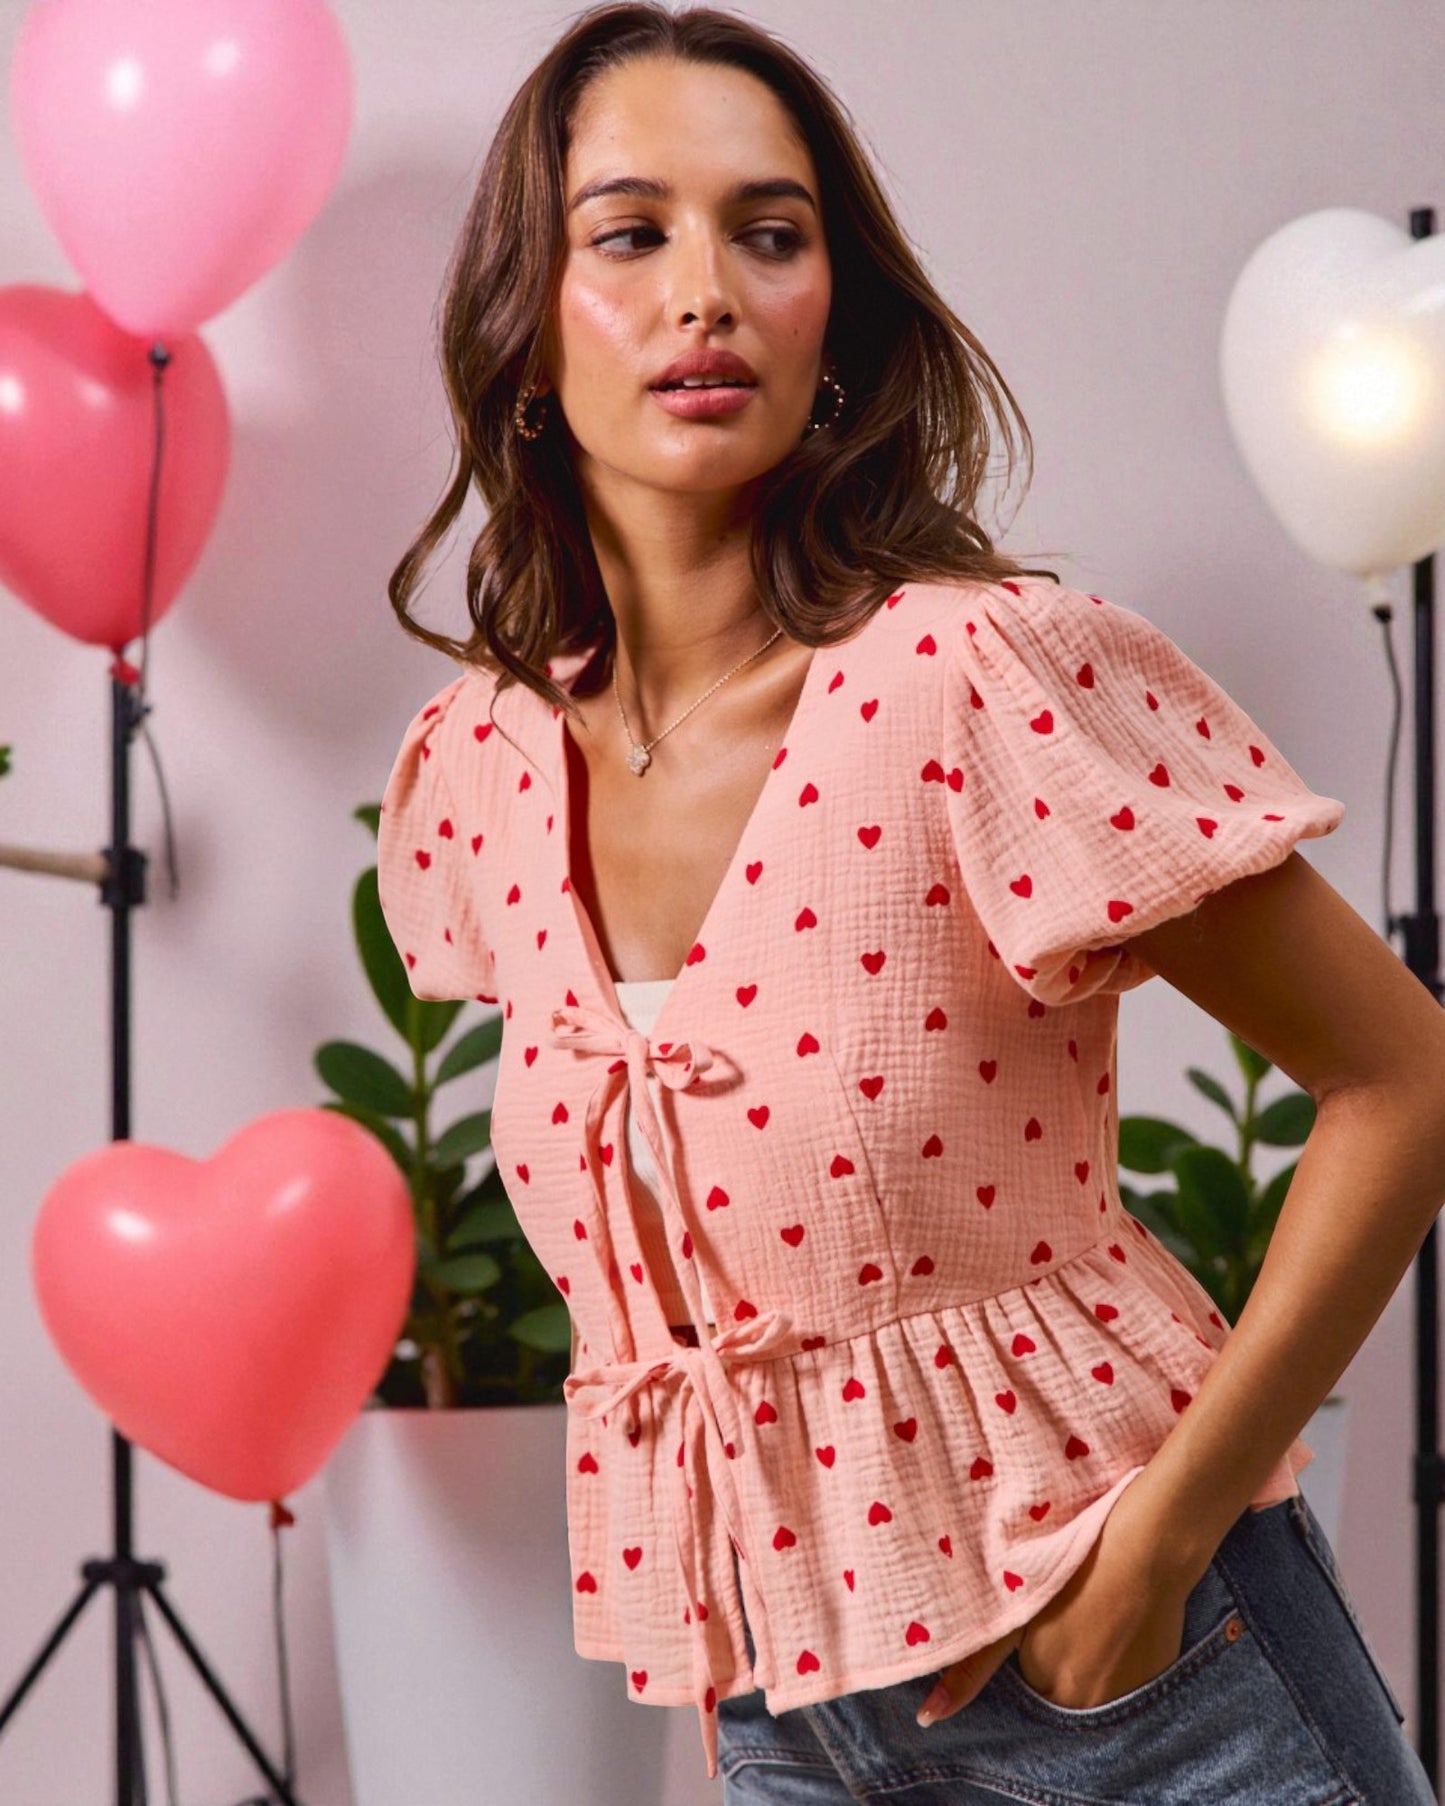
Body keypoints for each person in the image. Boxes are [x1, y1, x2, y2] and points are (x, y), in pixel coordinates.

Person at [374, 4, 1445, 1800]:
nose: (704, 289)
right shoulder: (477, 764)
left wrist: (1163, 1547)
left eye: (769, 234)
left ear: (834, 326)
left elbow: (1403, 1077)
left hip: (1144, 1675)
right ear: (527, 328)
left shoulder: (980, 678)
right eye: (631, 233)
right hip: (785, 1703)